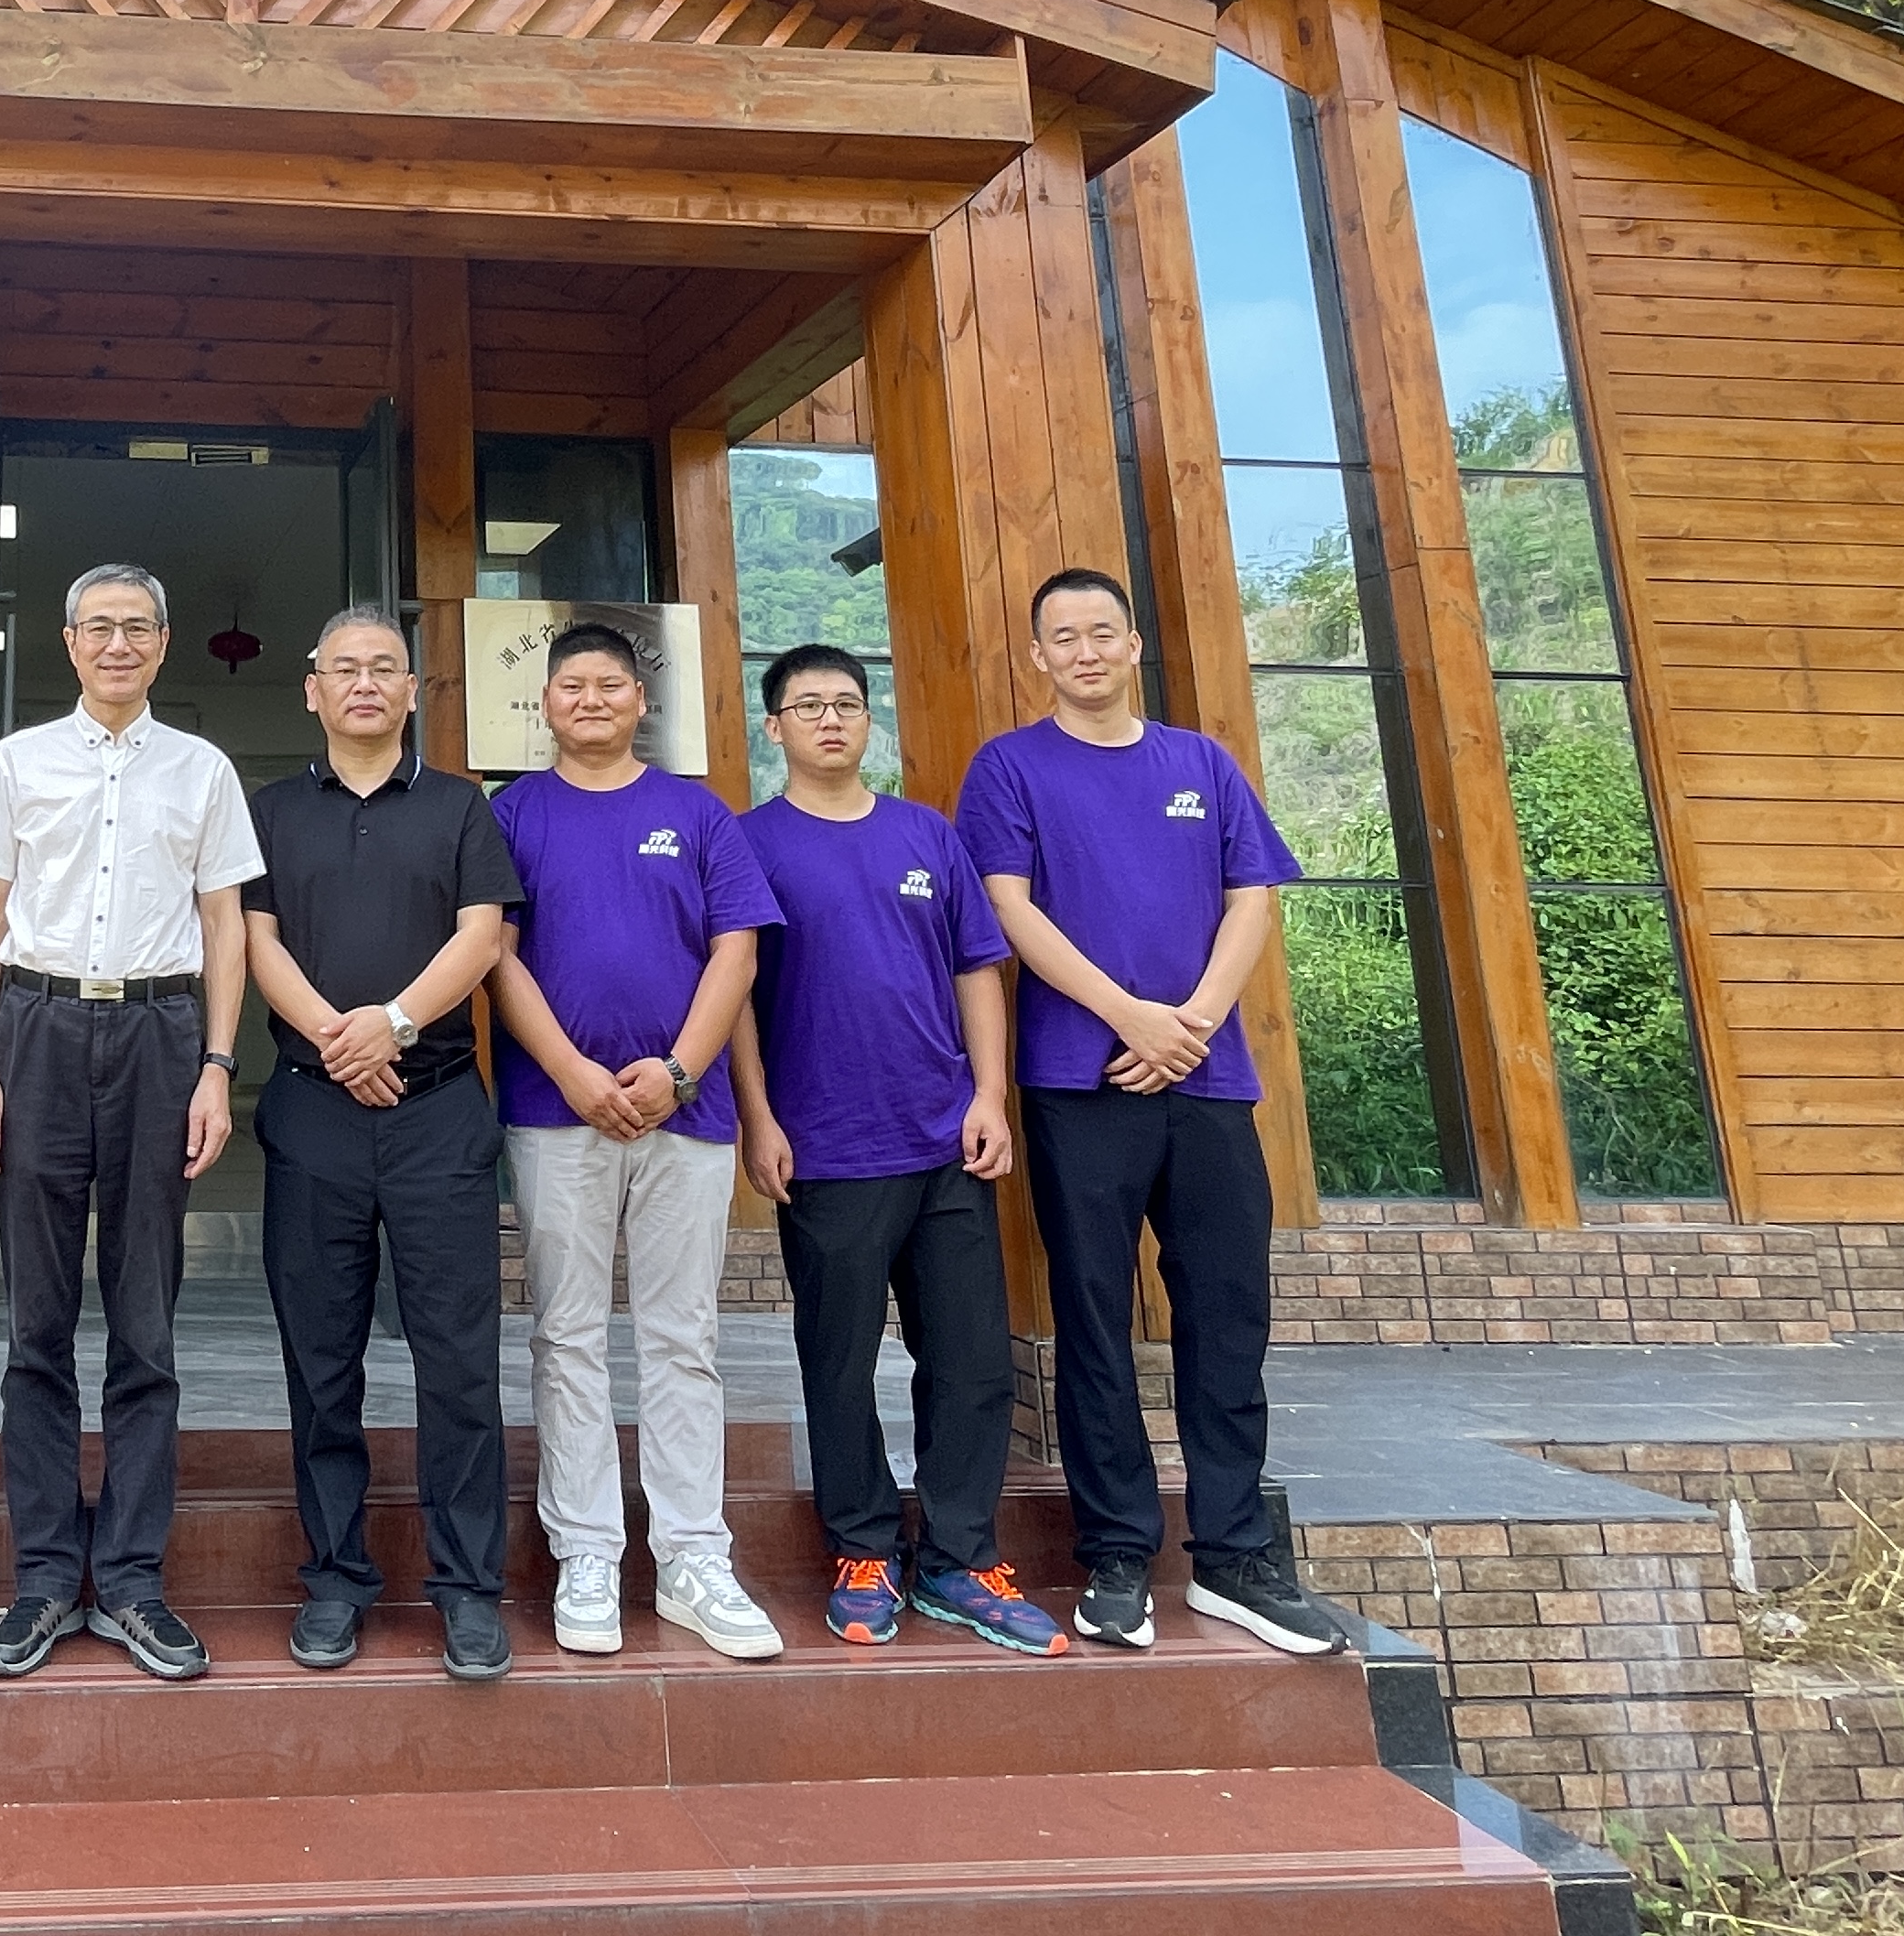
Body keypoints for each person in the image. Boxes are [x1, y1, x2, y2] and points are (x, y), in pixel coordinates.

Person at [954, 567, 1342, 1657]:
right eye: (1063, 637)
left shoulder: (1201, 764)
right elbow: (1006, 907)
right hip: (1082, 1081)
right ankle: (1118, 1551)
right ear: (1038, 657)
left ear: (1133, 646)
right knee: (1093, 1319)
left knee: (1227, 1315)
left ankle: (1233, 1556)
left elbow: (1251, 896)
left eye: (1102, 633)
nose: (1084, 651)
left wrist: (1194, 1024)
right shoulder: (1009, 768)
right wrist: (1130, 1016)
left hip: (1206, 1081)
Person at [0, 561, 262, 1681]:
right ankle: (43, 1577)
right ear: (70, 641)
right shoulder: (16, 762)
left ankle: (130, 1579)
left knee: (146, 1322)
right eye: (99, 626)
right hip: (35, 1031)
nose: (118, 643)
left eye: (138, 626)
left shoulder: (203, 769)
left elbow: (224, 926)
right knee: (35, 1322)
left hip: (159, 1037)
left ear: (164, 643)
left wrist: (217, 1066)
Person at [727, 646, 1065, 1658]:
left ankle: (959, 1558)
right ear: (774, 728)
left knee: (970, 1362)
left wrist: (989, 1096)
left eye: (847, 703)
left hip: (945, 1141)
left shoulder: (928, 834)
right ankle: (864, 1550)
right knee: (838, 1364)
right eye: (807, 706)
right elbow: (735, 995)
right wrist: (758, 1118)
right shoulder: (750, 843)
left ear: (869, 719)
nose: (831, 719)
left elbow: (977, 971)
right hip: (826, 1147)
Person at [489, 620, 783, 1660]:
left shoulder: (698, 812)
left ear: (641, 701)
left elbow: (736, 953)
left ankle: (694, 1555)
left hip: (686, 1117)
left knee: (681, 1339)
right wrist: (574, 1073)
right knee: (565, 1334)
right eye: (572, 685)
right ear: (545, 704)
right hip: (552, 1112)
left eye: (611, 684)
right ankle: (587, 1551)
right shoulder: (513, 813)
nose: (592, 699)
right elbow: (496, 955)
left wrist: (679, 1073)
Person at [242, 605, 523, 1683]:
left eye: (385, 668)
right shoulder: (271, 811)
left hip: (437, 1107)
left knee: (458, 1361)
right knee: (321, 1362)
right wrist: (338, 1038)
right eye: (343, 668)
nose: (364, 683)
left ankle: (468, 1588)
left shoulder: (459, 805)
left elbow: (483, 934)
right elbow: (254, 938)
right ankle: (334, 1579)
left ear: (413, 691)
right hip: (314, 1108)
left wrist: (393, 1025)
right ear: (311, 690)